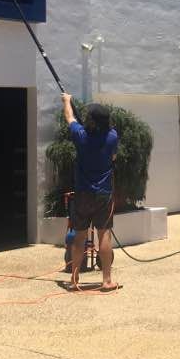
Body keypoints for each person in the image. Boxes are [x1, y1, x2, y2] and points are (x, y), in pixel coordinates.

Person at [62, 93, 120, 291]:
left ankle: (74, 280)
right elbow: (113, 157)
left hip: (83, 193)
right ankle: (107, 280)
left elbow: (69, 117)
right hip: (103, 193)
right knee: (104, 235)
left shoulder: (80, 135)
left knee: (79, 237)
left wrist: (66, 100)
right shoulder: (112, 136)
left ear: (90, 120)